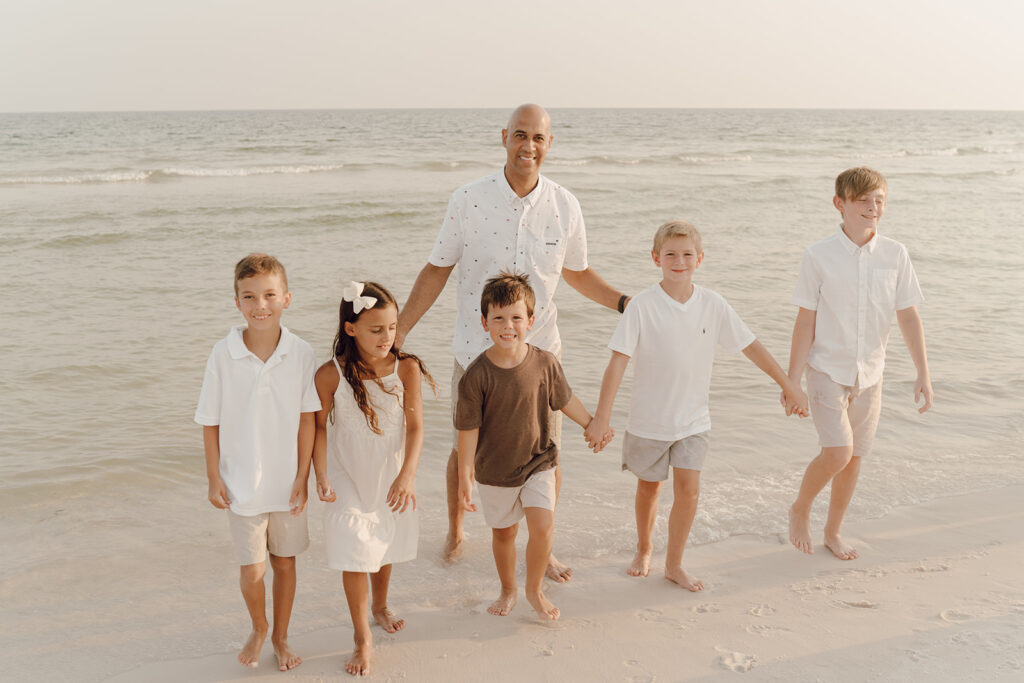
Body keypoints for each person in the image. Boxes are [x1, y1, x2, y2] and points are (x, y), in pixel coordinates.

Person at [397, 103, 629, 579]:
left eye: (538, 138)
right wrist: (399, 331)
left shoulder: (565, 205)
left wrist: (627, 303)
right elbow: (438, 268)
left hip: (540, 355)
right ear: (504, 137)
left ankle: (542, 547)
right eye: (520, 135)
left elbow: (579, 274)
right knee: (466, 448)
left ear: (549, 143)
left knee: (546, 453)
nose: (529, 146)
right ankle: (457, 529)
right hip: (474, 350)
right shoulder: (467, 199)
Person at [585, 221, 808, 591]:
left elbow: (750, 345)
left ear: (700, 259)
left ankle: (674, 564)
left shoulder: (713, 304)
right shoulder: (641, 306)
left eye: (687, 254)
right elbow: (618, 362)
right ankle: (644, 548)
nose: (679, 261)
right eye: (670, 254)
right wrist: (602, 417)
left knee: (689, 490)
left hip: (693, 421)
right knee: (649, 489)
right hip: (648, 421)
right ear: (656, 258)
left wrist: (788, 384)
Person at [787, 167, 932, 561]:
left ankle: (833, 531)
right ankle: (800, 507)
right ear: (840, 204)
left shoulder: (895, 254)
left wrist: (923, 372)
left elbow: (908, 315)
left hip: (872, 374)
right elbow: (805, 321)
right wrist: (792, 380)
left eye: (879, 200)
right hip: (826, 370)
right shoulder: (817, 256)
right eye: (864, 200)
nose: (873, 207)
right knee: (837, 452)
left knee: (854, 459)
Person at [195, 253, 321, 670]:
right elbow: (209, 421)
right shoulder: (223, 353)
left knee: (285, 563)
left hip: (287, 484)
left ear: (287, 297)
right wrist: (214, 477)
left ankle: (282, 637)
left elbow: (308, 422)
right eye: (249, 296)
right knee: (252, 570)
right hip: (240, 484)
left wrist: (303, 477)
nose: (260, 305)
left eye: (269, 295)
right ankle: (259, 626)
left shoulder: (302, 353)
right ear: (237, 302)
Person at [456, 272, 597, 621]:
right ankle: (508, 588)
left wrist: (592, 424)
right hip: (495, 471)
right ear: (484, 322)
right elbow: (468, 431)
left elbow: (566, 400)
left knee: (543, 526)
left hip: (539, 461)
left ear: (531, 322)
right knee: (504, 535)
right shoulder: (476, 376)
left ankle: (534, 589)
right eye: (499, 318)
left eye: (517, 317)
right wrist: (464, 476)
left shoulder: (545, 362)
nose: (508, 326)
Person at [312, 281, 434, 677]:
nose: (387, 337)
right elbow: (318, 429)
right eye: (376, 329)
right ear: (351, 329)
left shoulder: (406, 368)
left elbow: (415, 429)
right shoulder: (330, 375)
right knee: (354, 548)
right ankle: (362, 637)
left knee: (382, 541)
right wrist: (320, 475)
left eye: (393, 327)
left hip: (391, 470)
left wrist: (407, 476)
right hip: (347, 472)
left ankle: (380, 605)